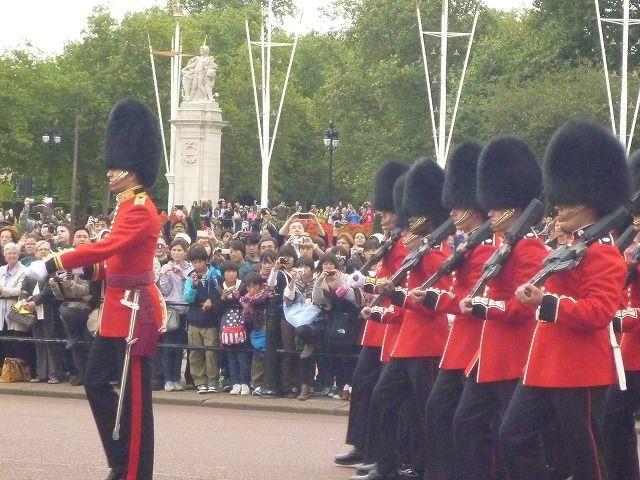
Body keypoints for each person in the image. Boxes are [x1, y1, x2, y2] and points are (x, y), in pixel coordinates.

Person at [27, 98, 164, 480]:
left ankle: (134, 472)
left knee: (135, 402)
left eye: (115, 167)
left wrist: (53, 261)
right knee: (94, 382)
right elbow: (114, 259)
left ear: (131, 170)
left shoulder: (140, 207)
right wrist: (89, 270)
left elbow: (108, 247)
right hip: (118, 309)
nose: (109, 172)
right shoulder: (125, 206)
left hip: (136, 313)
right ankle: (120, 460)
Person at [502, 120, 629, 480]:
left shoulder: (604, 253)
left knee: (586, 458)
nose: (557, 208)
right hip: (544, 364)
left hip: (578, 368)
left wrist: (546, 302)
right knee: (513, 437)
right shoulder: (570, 247)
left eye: (564, 202)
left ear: (585, 201)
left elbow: (600, 311)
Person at [334, 161, 409, 468]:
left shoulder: (405, 245)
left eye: (389, 212)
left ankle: (380, 452)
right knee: (363, 384)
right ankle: (363, 444)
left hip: (390, 322)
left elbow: (396, 284)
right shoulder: (391, 242)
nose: (384, 216)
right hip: (376, 324)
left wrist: (369, 283)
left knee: (381, 392)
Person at [21, 240, 65, 384]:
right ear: (35, 252)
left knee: (51, 342)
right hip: (33, 309)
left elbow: (49, 290)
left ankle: (55, 374)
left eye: (46, 249)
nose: (44, 252)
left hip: (48, 308)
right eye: (41, 249)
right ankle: (41, 374)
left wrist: (35, 301)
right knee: (39, 342)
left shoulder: (53, 267)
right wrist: (23, 300)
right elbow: (24, 287)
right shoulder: (31, 268)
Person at [183, 245, 220, 394]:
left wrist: (211, 300)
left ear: (206, 260)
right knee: (195, 352)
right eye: (194, 262)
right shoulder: (190, 277)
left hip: (211, 320)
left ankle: (212, 381)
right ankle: (199, 381)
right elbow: (187, 298)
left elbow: (220, 292)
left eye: (199, 261)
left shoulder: (215, 273)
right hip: (194, 318)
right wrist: (193, 286)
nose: (197, 265)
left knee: (211, 353)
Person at [158, 238, 192, 392]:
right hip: (170, 310)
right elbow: (165, 290)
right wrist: (165, 275)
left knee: (179, 347)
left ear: (185, 252)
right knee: (168, 346)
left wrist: (182, 275)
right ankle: (168, 379)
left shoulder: (190, 268)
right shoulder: (165, 267)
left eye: (180, 250)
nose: (177, 253)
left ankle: (177, 379)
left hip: (184, 310)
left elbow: (190, 289)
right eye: (174, 250)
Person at [216, 261, 250, 395]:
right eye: (228, 271)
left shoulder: (243, 286)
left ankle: (245, 383)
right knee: (231, 357)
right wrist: (223, 297)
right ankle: (234, 382)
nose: (231, 274)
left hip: (241, 326)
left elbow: (249, 304)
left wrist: (239, 297)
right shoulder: (219, 287)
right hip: (226, 328)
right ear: (223, 274)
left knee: (243, 357)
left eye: (233, 271)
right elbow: (216, 311)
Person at [0, 242, 30, 368]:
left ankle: (19, 372)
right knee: (3, 342)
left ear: (19, 255)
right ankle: (4, 371)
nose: (11, 255)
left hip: (17, 309)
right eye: (8, 253)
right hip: (1, 311)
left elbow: (20, 290)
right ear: (4, 255)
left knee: (18, 342)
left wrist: (2, 291)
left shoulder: (25, 270)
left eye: (14, 253)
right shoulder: (1, 270)